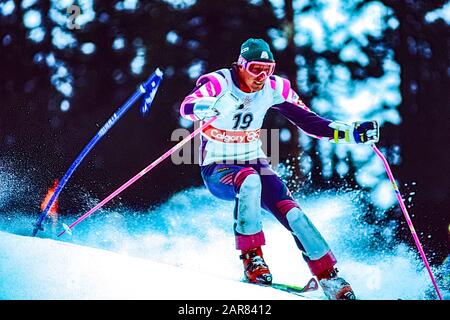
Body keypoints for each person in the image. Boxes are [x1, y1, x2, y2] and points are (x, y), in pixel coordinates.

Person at [179, 38, 379, 300]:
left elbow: (311, 122)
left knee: (293, 213)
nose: (262, 76)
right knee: (249, 181)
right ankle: (253, 260)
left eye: (268, 69)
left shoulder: (275, 88)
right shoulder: (219, 83)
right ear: (241, 65)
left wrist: (351, 134)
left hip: (253, 161)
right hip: (218, 168)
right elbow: (187, 107)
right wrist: (211, 107)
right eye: (255, 69)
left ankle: (330, 277)